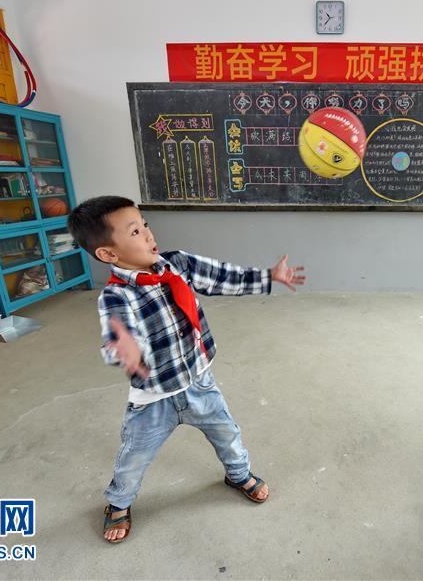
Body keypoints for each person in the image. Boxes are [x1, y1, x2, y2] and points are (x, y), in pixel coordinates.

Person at [67, 196, 306, 543]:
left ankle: (238, 474)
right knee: (133, 457)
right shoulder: (117, 297)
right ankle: (118, 504)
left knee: (227, 434)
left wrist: (267, 277)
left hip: (199, 382)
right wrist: (126, 352)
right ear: (108, 254)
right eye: (135, 231)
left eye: (145, 224)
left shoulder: (177, 263)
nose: (148, 235)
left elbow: (224, 276)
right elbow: (117, 336)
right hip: (153, 398)